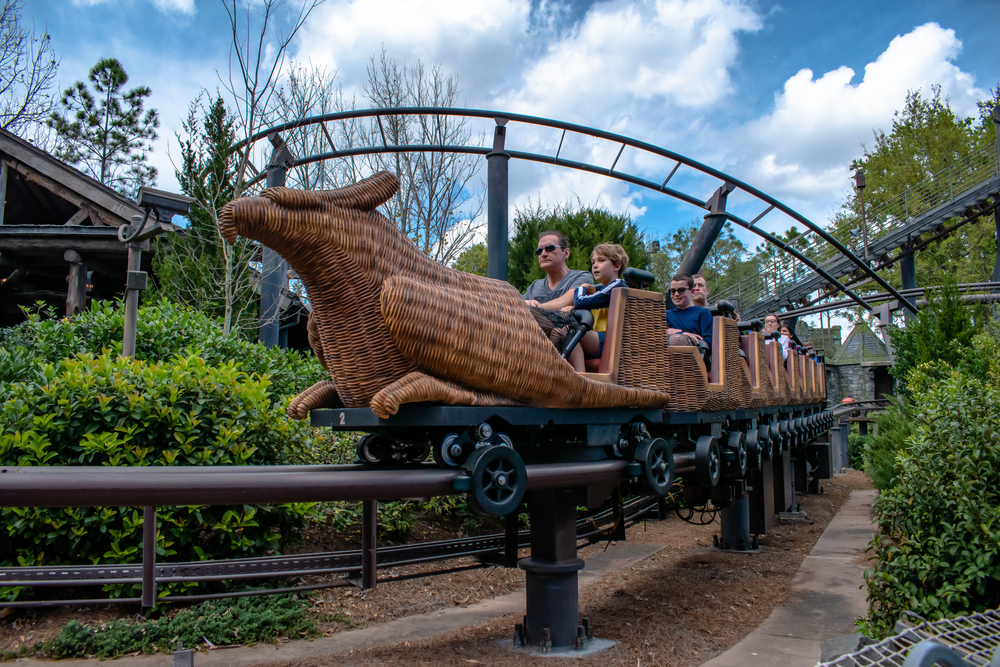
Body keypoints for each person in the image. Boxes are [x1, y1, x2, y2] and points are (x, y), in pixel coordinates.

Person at [567, 243, 629, 371]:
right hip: (600, 339)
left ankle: (580, 380)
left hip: (612, 341)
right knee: (562, 331)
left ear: (617, 266)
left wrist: (582, 287)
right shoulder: (602, 291)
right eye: (593, 261)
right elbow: (584, 305)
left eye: (601, 260)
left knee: (571, 331)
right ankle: (575, 375)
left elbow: (580, 301)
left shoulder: (617, 286)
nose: (595, 265)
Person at [522, 231, 593, 310]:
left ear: (566, 253)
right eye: (539, 251)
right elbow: (515, 307)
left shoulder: (581, 277)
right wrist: (523, 304)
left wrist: (531, 308)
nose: (543, 254)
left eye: (549, 248)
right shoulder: (534, 287)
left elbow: (565, 302)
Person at [665, 273, 713, 348]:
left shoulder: (703, 313)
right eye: (673, 291)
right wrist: (682, 333)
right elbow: (656, 335)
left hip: (695, 357)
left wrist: (682, 338)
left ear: (692, 292)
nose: (676, 294)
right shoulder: (666, 315)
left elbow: (708, 343)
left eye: (681, 290)